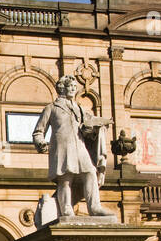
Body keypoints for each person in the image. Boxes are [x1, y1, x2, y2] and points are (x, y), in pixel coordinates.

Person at [32, 75, 116, 220]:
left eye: (74, 87)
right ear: (62, 88)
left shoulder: (80, 109)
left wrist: (98, 126)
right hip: (62, 148)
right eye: (70, 86)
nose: (73, 89)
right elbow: (38, 131)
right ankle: (66, 209)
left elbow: (88, 126)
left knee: (90, 172)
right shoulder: (51, 108)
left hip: (79, 146)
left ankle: (94, 207)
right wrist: (40, 143)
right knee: (65, 179)